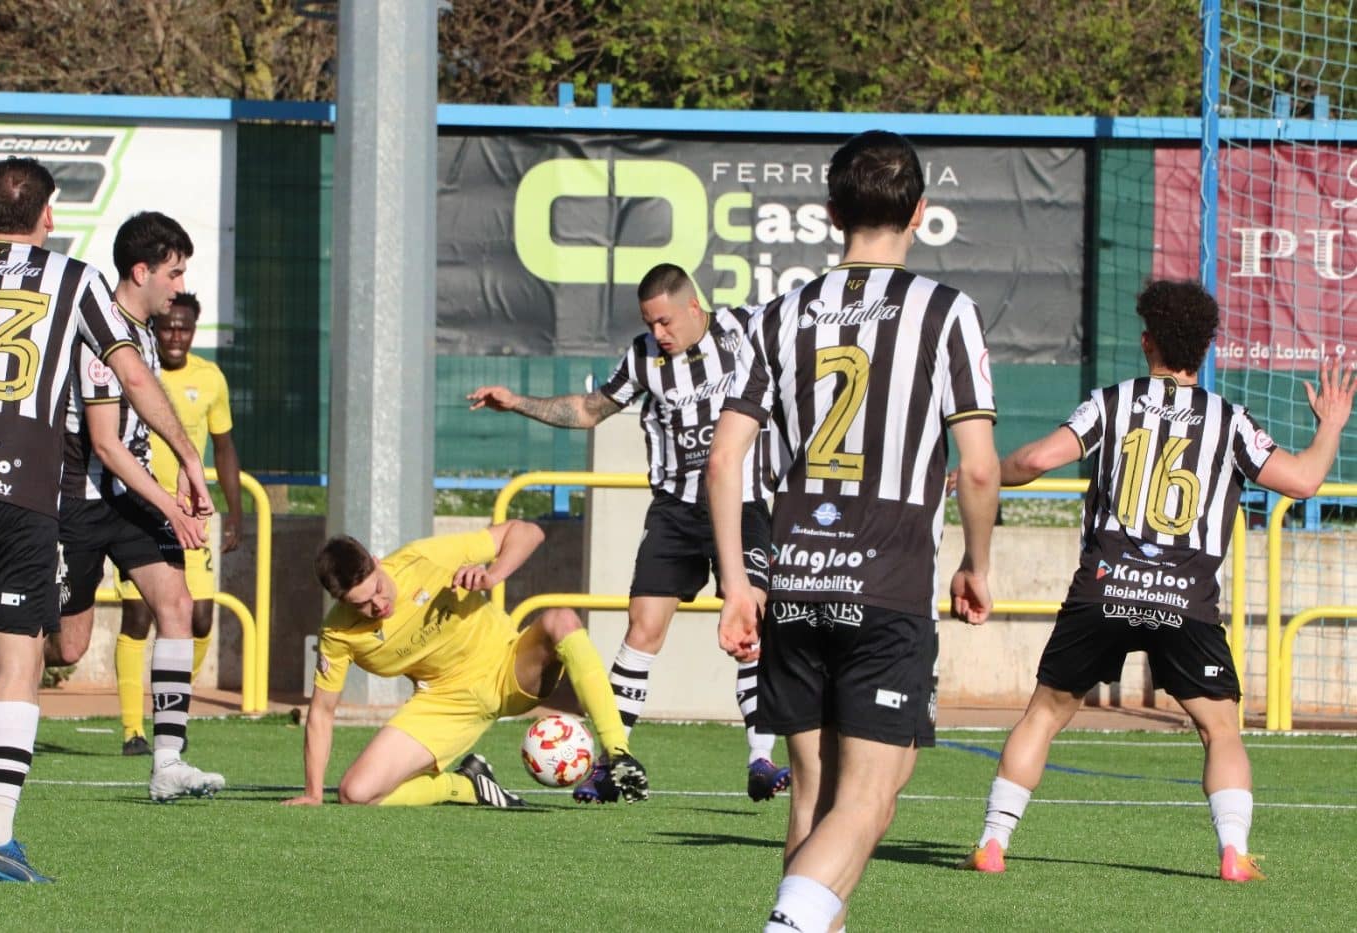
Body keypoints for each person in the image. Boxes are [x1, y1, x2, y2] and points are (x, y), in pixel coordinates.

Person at [958, 280, 1356, 883]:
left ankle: (992, 841)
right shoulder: (1229, 420)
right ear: (1206, 350)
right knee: (1220, 728)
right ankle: (1233, 854)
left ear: (1147, 342)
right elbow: (1301, 481)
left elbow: (1037, 461)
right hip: (1187, 600)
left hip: (1105, 587)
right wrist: (1330, 423)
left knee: (1043, 715)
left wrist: (991, 473)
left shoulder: (1111, 402)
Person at [707, 130, 1001, 933]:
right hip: (889, 574)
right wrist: (977, 560)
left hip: (796, 574)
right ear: (921, 214)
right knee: (871, 795)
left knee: (813, 793)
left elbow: (724, 460)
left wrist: (739, 582)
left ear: (832, 213)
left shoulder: (778, 313)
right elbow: (978, 468)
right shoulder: (946, 313)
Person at [0, 159, 213, 884]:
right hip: (19, 486)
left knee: (78, 638)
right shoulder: (72, 280)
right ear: (48, 217)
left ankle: (167, 757)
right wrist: (187, 459)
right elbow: (132, 374)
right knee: (20, 663)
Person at [467, 262, 791, 804]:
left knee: (750, 621)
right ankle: (611, 761)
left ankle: (761, 760)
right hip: (675, 510)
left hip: (743, 501)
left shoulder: (744, 329)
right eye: (650, 324)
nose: (658, 334)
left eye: (665, 322)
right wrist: (517, 402)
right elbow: (590, 410)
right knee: (642, 628)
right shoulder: (642, 357)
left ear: (694, 306)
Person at [46, 212, 225, 803]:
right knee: (68, 648)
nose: (180, 287)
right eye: (173, 274)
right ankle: (12, 656)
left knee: (175, 604)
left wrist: (180, 481)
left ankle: (167, 761)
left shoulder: (145, 330)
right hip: (81, 503)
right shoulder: (102, 336)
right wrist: (172, 507)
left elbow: (142, 432)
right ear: (141, 270)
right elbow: (106, 445)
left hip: (131, 499)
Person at [282, 521, 649, 808]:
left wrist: (492, 574)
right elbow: (322, 712)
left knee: (561, 620)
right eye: (361, 604)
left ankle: (618, 754)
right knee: (355, 794)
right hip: (444, 703)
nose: (377, 605)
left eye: (377, 588)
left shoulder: (424, 558)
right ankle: (466, 785)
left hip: (508, 667)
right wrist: (314, 792)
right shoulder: (338, 633)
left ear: (378, 562)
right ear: (340, 600)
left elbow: (528, 533)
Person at [112, 291, 242, 756]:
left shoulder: (210, 378)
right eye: (168, 326)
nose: (175, 335)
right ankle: (132, 729)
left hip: (191, 515)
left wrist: (235, 512)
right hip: (139, 509)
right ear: (157, 327)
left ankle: (171, 710)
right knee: (140, 616)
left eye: (184, 328)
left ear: (193, 330)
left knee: (201, 620)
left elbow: (224, 447)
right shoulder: (133, 367)